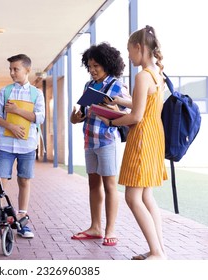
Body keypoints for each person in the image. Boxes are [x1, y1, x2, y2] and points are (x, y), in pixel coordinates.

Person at [97, 26, 168, 260]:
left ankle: (156, 253)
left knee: (132, 197)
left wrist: (110, 121)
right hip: (155, 135)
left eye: (129, 50)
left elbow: (136, 117)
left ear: (139, 47)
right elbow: (143, 107)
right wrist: (119, 101)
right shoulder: (157, 73)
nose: (128, 56)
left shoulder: (142, 75)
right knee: (146, 196)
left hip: (142, 138)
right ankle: (158, 250)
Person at [70, 42, 130, 246]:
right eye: (89, 66)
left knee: (109, 185)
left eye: (96, 65)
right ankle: (95, 227)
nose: (92, 70)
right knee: (93, 183)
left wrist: (111, 106)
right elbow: (84, 114)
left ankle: (109, 229)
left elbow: (128, 114)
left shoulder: (117, 85)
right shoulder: (88, 86)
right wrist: (76, 117)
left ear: (107, 64)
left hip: (106, 141)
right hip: (89, 140)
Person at [0, 54, 45, 239]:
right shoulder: (4, 92)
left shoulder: (37, 94)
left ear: (27, 70)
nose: (12, 73)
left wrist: (16, 111)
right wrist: (10, 125)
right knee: (0, 183)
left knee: (24, 181)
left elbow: (40, 118)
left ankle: (22, 219)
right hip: (5, 145)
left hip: (27, 146)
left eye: (16, 69)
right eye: (11, 69)